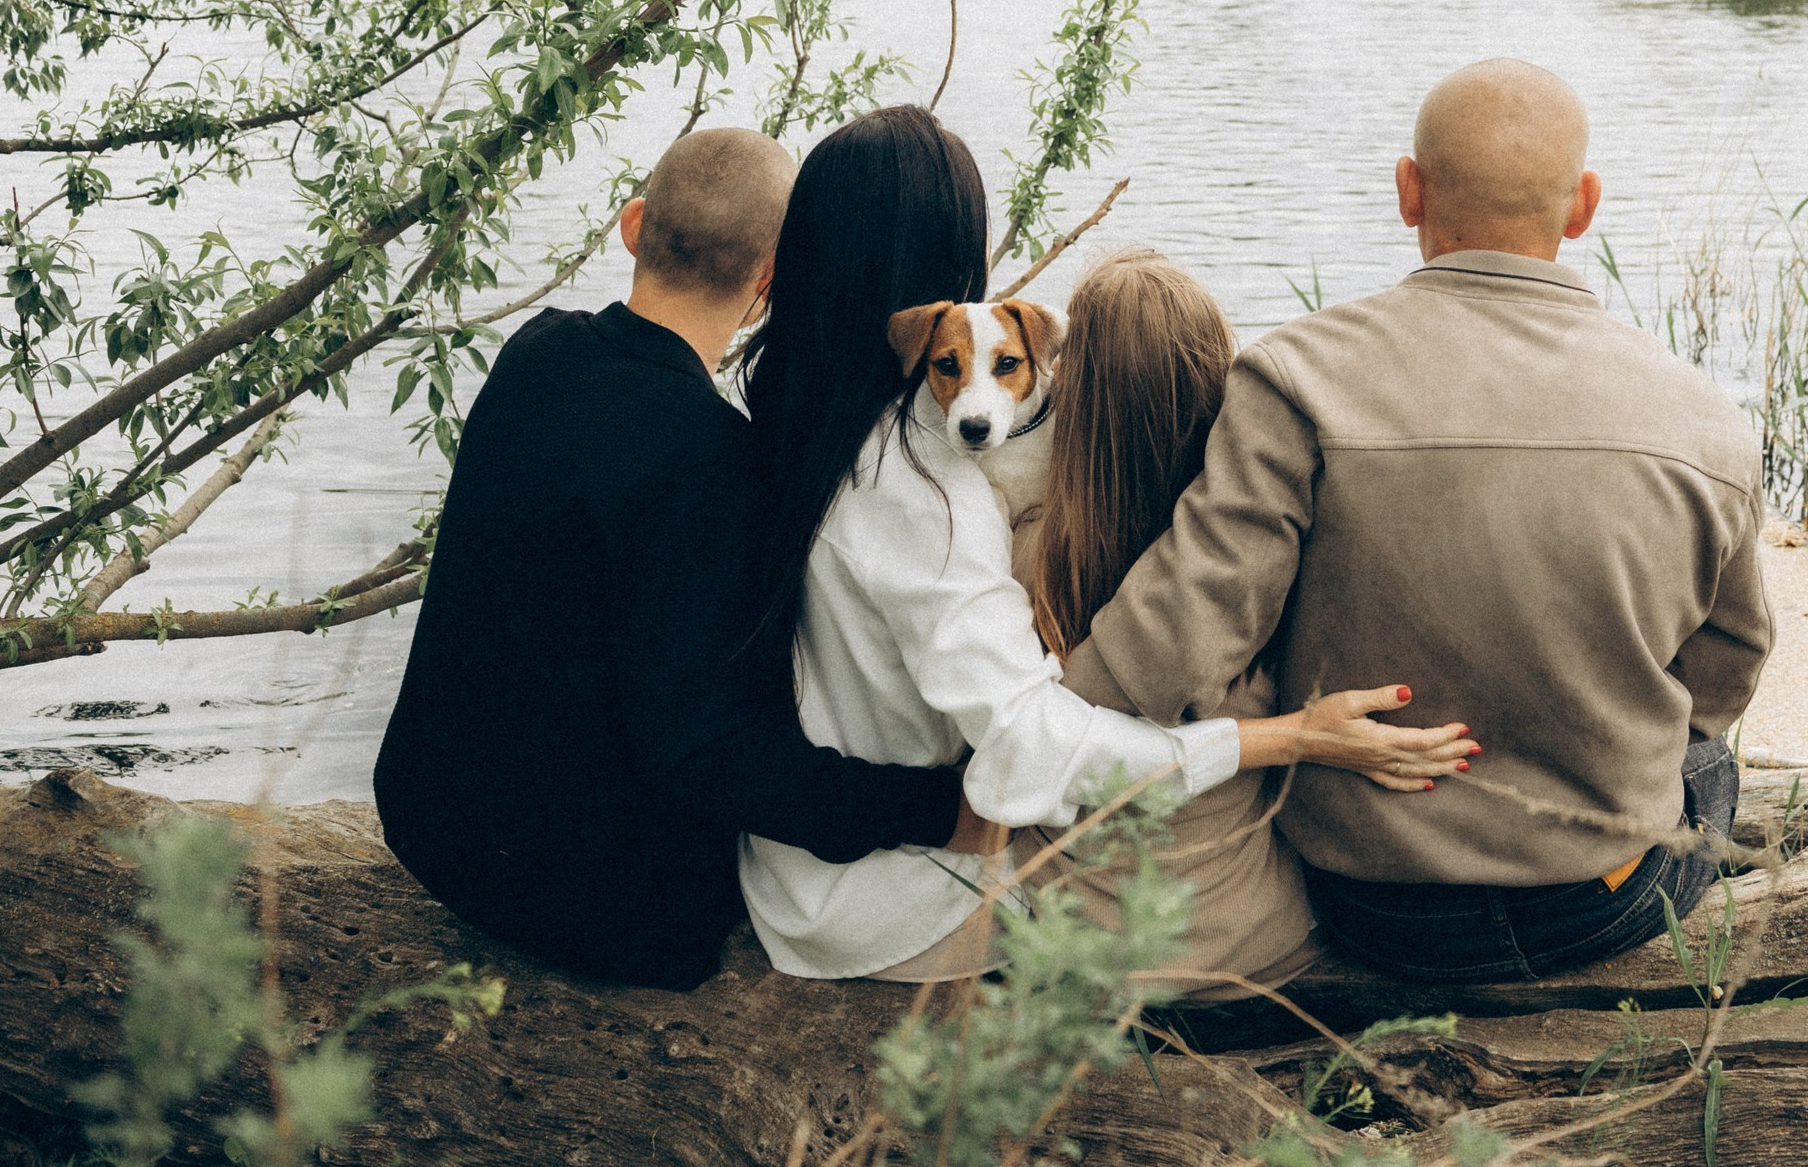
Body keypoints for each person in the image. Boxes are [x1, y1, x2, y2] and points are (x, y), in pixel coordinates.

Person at [1060, 60, 1772, 984]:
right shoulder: (1705, 419)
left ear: (1408, 190)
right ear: (1583, 205)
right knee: (1710, 769)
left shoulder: (1296, 377)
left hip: (1374, 904)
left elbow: (1166, 651)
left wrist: (1036, 723)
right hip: (1598, 898)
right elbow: (1727, 673)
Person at [734, 107, 1474, 983]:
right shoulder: (926, 494)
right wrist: (1289, 736)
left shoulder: (802, 422)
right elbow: (1033, 741)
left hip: (798, 864)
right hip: (894, 897)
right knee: (1183, 898)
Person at [374, 127, 984, 991]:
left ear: (633, 224)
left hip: (427, 818)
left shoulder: (535, 351)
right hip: (592, 903)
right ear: (770, 281)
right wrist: (939, 810)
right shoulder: (708, 460)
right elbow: (708, 753)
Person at [1011, 249, 1320, 997]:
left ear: (1072, 397)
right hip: (1248, 949)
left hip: (1070, 946)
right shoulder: (1268, 563)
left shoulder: (1021, 558)